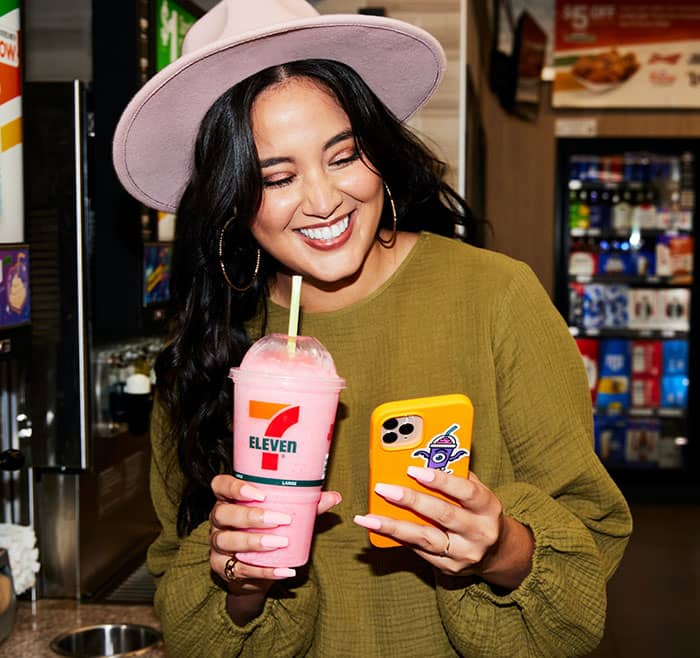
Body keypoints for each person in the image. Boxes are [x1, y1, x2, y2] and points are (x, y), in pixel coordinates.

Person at [112, 1, 632, 656]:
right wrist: (241, 577)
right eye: (277, 177)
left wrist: (498, 547)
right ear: (229, 200)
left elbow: (587, 555)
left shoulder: (494, 297)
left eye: (343, 155)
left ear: (378, 154)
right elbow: (190, 607)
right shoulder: (208, 352)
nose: (325, 201)